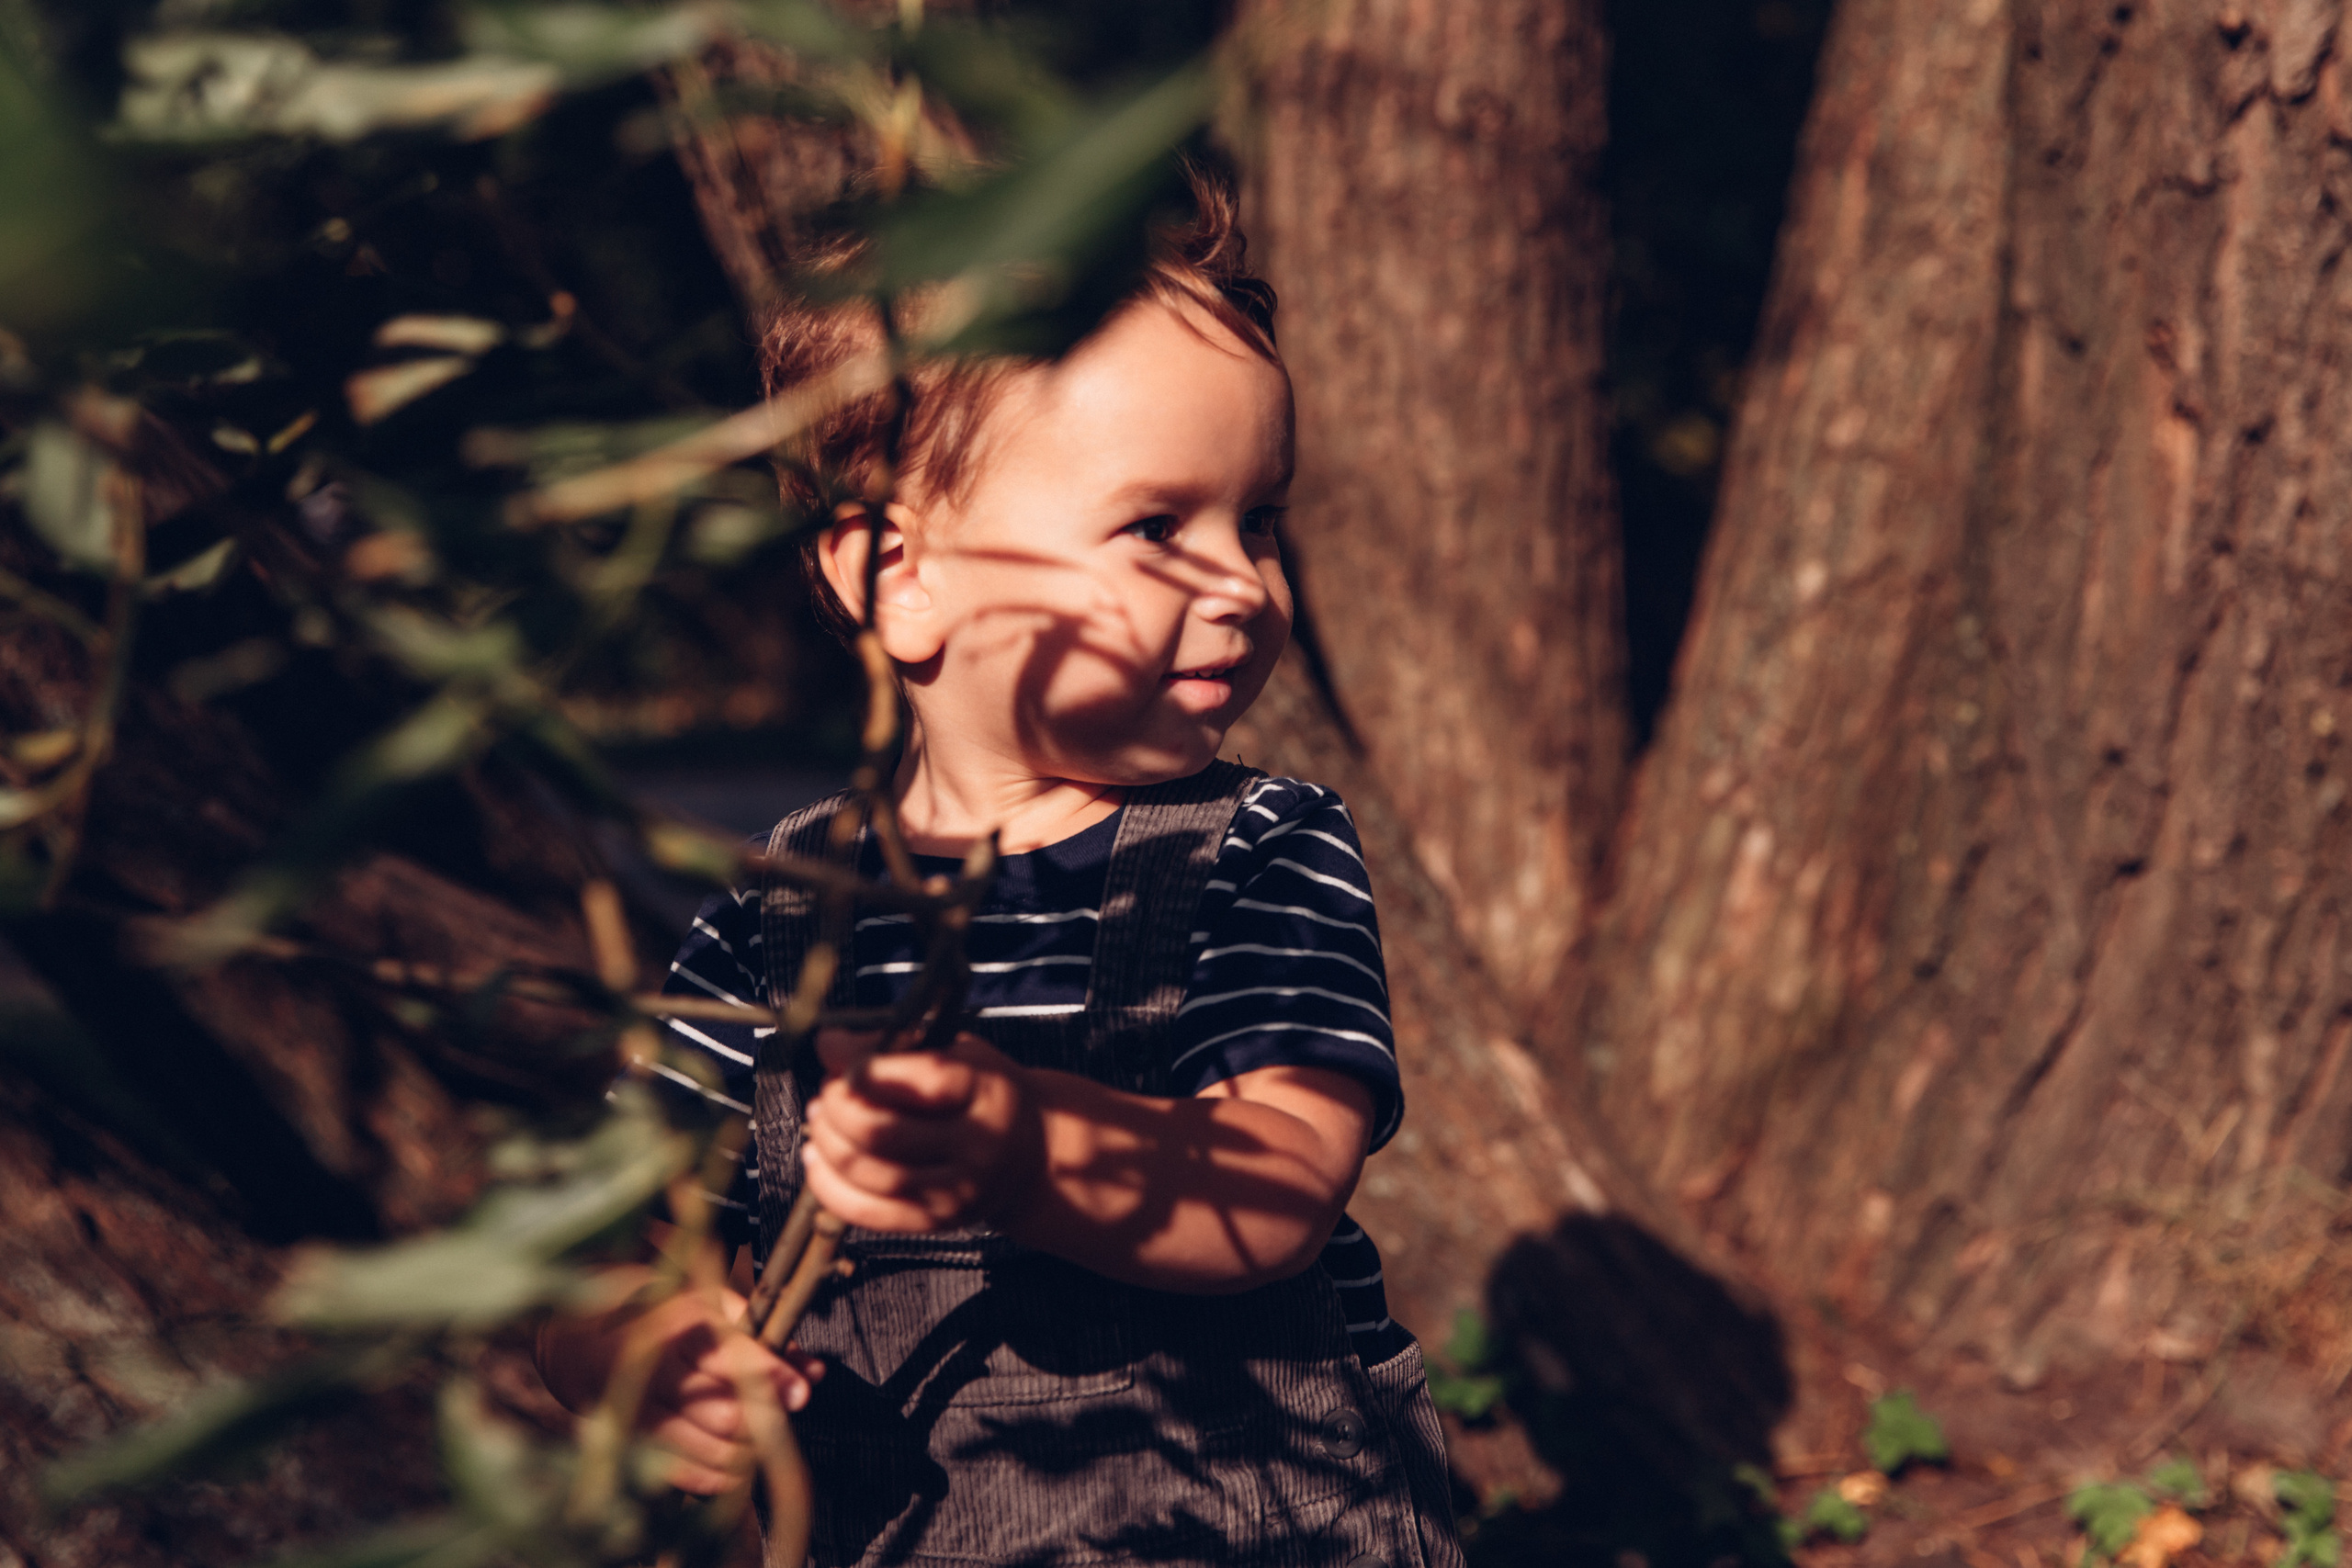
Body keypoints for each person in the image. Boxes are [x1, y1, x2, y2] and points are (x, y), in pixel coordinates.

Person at [537, 162, 1464, 1568]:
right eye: (1159, 527)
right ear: (897, 576)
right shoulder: (776, 928)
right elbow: (602, 1245)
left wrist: (1027, 1146)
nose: (1243, 584)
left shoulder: (1260, 852)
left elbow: (1276, 1185)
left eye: (1258, 520)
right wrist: (645, 1356)